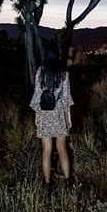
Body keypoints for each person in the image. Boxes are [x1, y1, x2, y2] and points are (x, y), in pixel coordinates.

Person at [29, 43, 74, 197]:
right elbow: (67, 98)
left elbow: (36, 95)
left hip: (44, 115)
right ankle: (68, 183)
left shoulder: (40, 73)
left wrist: (36, 116)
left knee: (46, 151)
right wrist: (68, 118)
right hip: (59, 114)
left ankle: (47, 187)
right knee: (62, 149)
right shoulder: (64, 73)